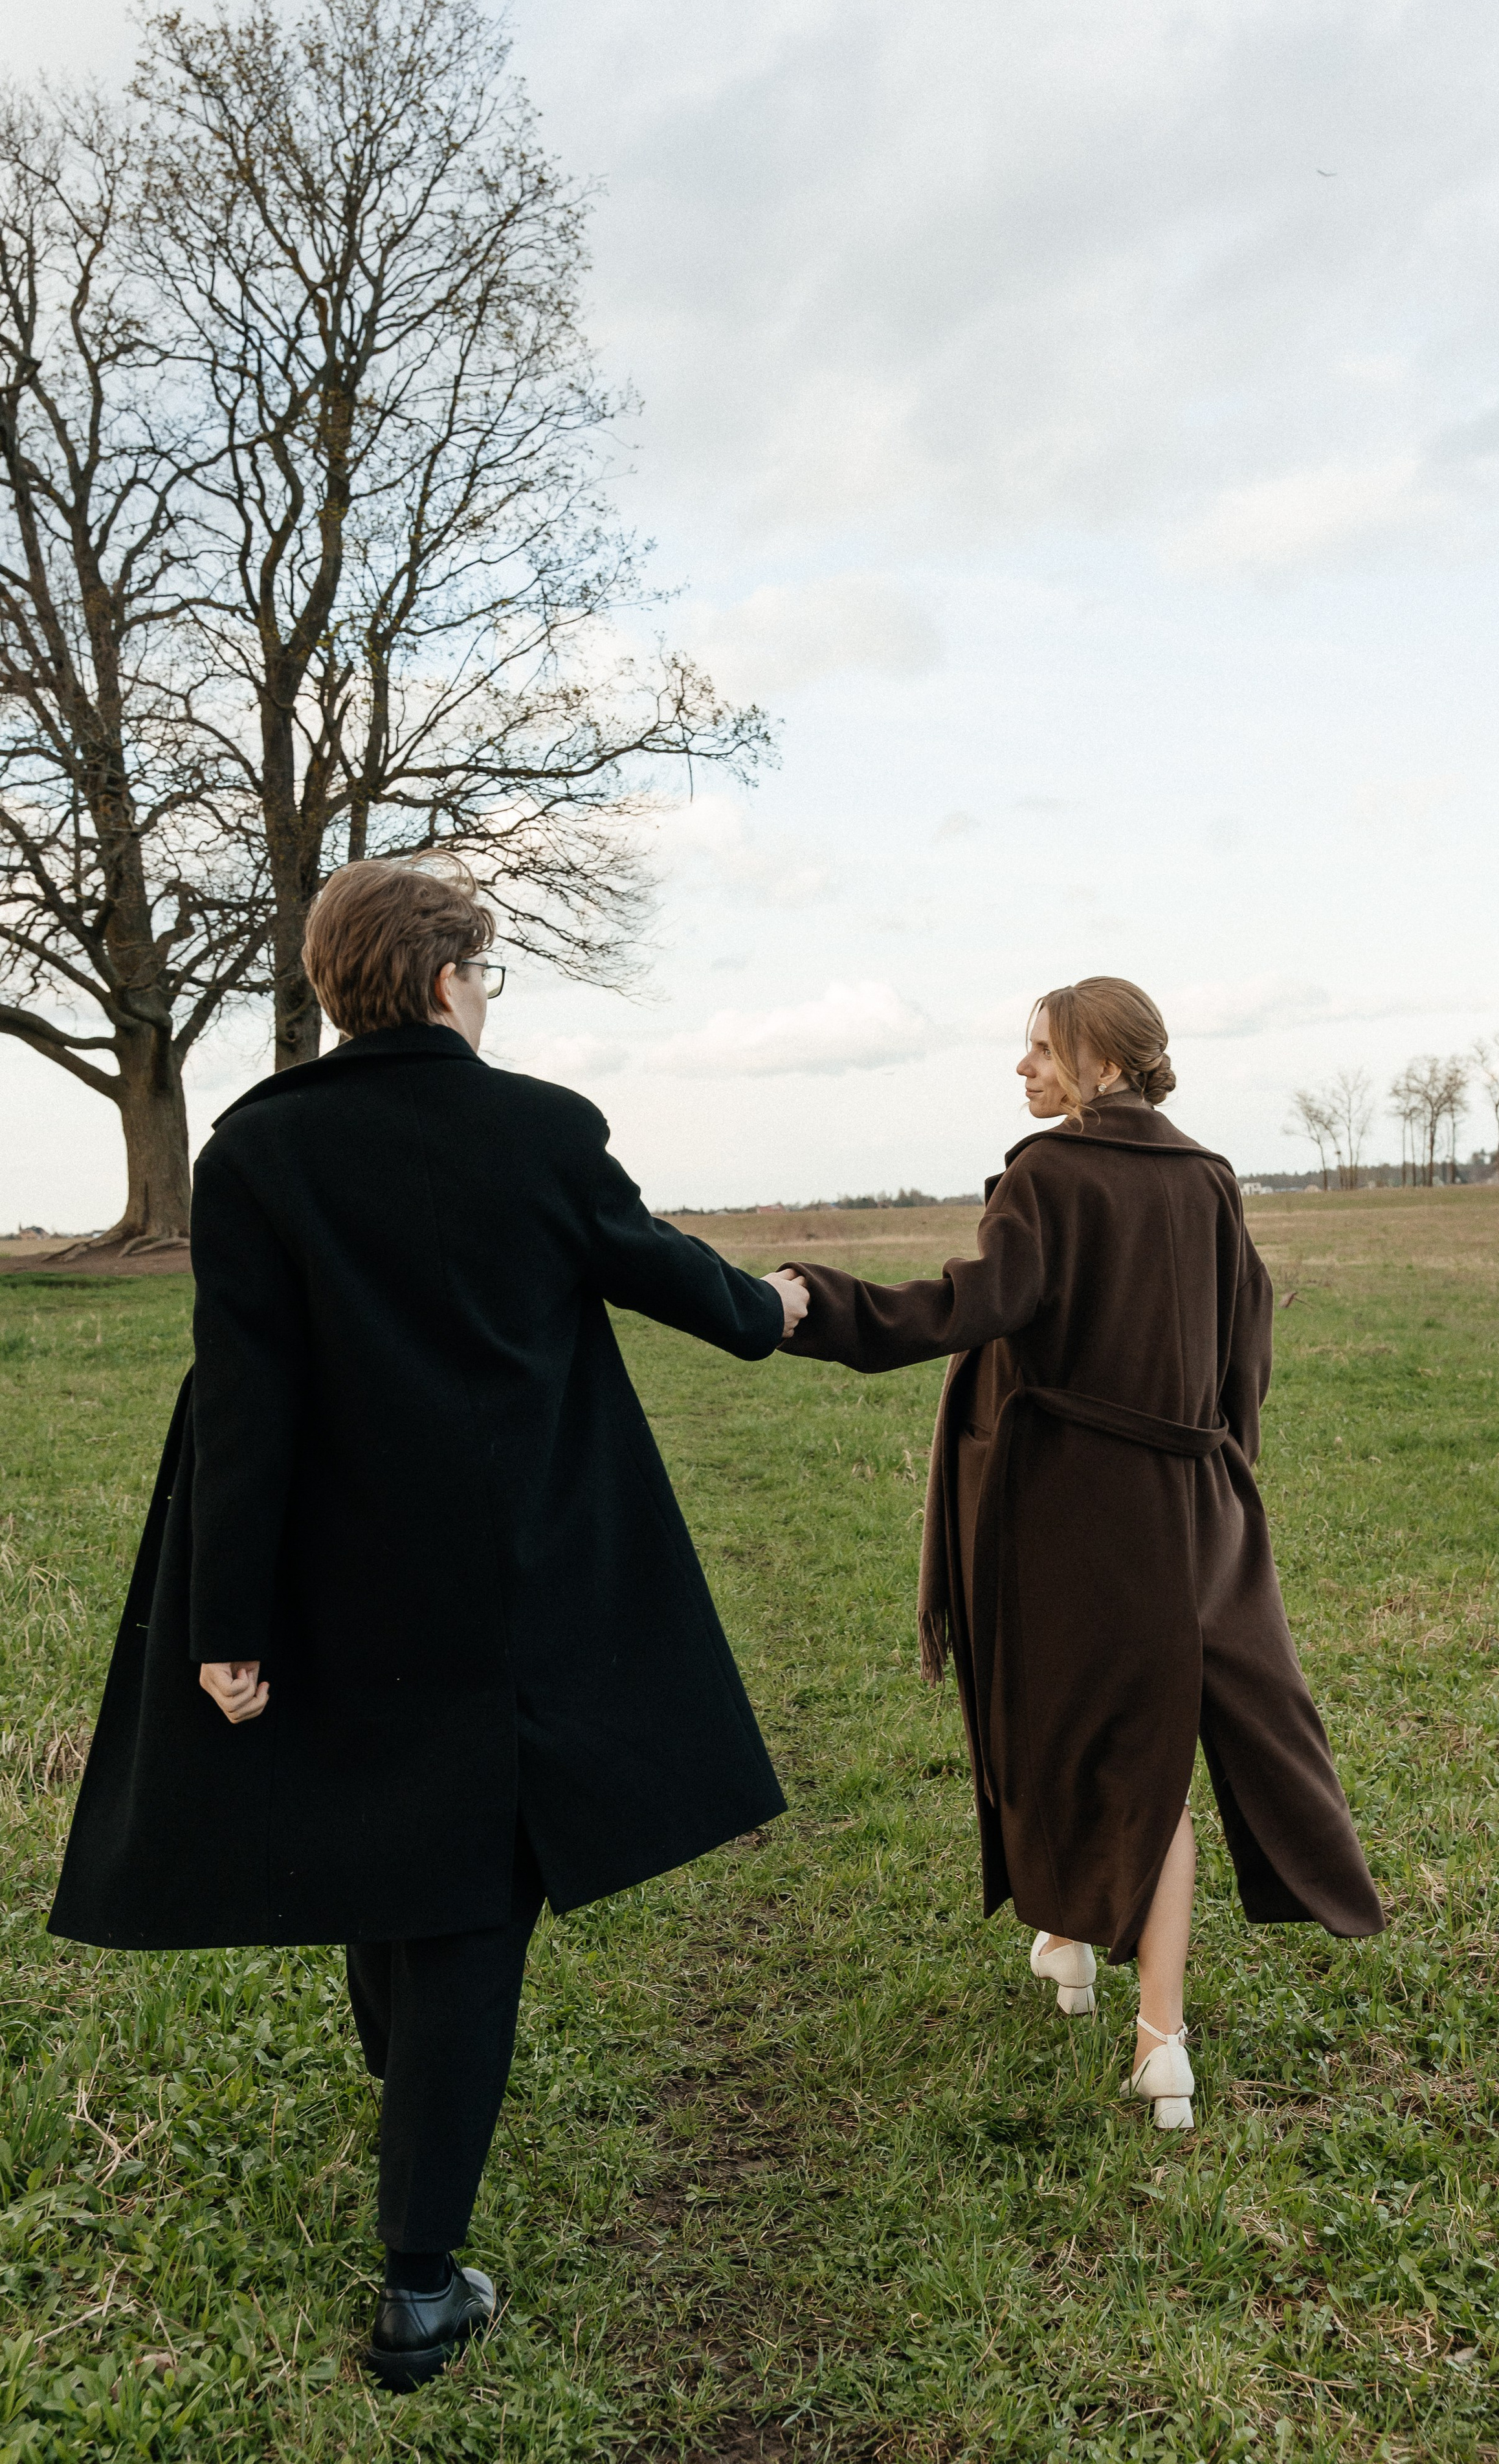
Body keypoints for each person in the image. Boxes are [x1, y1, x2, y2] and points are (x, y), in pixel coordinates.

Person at [49, 854, 808, 2389]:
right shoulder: (540, 1128)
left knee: (392, 1864)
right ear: (452, 978)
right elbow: (686, 1289)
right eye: (486, 970)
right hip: (519, 1589)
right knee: (468, 1911)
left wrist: (225, 1621)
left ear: (342, 987)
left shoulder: (260, 1148)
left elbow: (243, 1399)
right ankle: (418, 2285)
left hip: (336, 1586)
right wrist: (777, 1303)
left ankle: (415, 2108)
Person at [777, 977, 1382, 2129]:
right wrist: (1219, 1482)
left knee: (1091, 1745)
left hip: (1068, 1519)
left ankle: (1149, 2023)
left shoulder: (1050, 1174)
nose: (1025, 1069)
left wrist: (816, 1305)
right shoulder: (1210, 1177)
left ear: (1105, 1062)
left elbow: (965, 1308)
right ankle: (1099, 1973)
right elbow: (1245, 1350)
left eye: (1044, 1050)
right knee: (1130, 1745)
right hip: (1194, 1510)